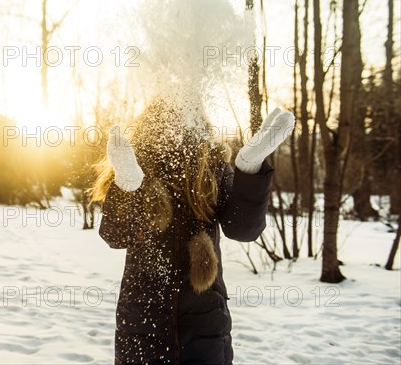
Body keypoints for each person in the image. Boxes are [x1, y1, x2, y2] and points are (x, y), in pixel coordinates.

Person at [91, 100, 295, 365]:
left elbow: (243, 229)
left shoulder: (214, 167)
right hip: (142, 325)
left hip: (205, 325)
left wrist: (250, 166)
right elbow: (115, 234)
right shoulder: (135, 164)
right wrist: (128, 183)